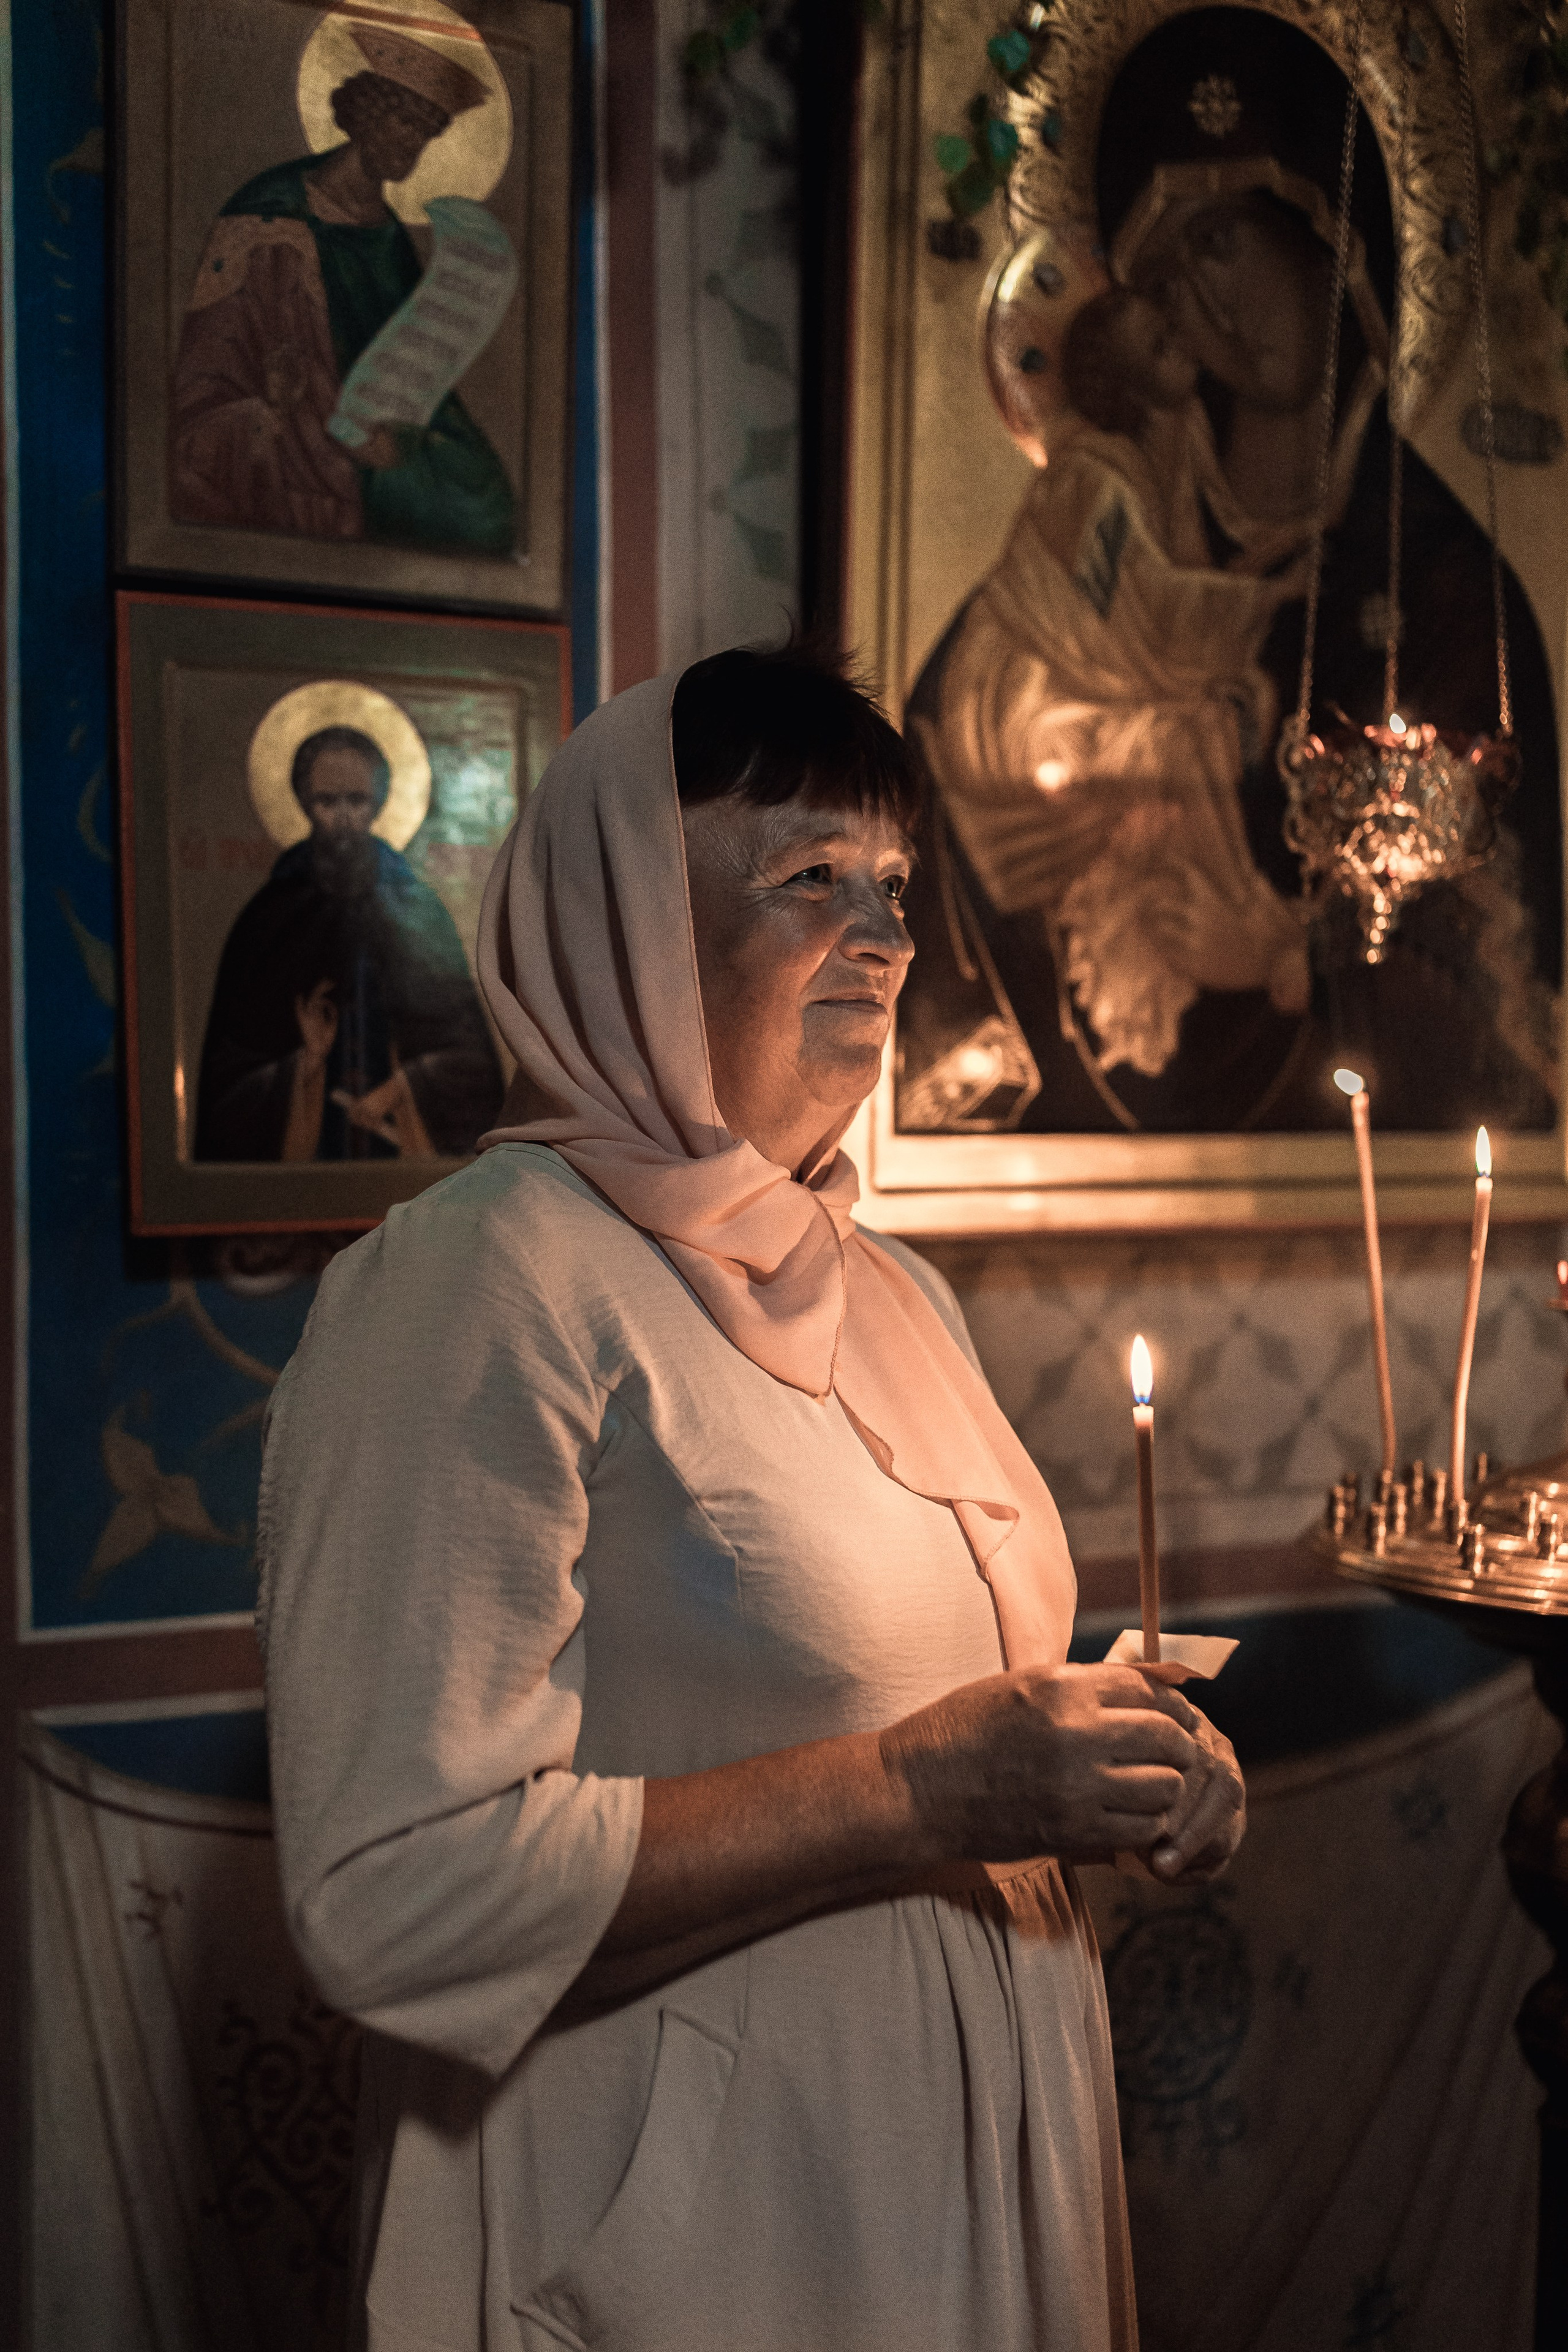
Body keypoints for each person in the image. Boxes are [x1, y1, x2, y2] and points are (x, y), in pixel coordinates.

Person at [258, 645, 1245, 2352]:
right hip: (705, 2244)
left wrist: (1122, 1761)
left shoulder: (884, 1286)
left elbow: (947, 1692)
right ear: (632, 923)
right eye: (809, 880)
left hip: (955, 2183)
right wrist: (922, 1786)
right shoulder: (484, 1283)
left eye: (897, 888)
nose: (881, 936)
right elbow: (396, 1891)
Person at [900, 8, 1561, 1137]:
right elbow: (941, 766)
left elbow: (1500, 955)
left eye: (1229, 244)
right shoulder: (1103, 522)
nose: (1208, 308)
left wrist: (1297, 951)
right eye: (1165, 271)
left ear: (1334, 236)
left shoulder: (1449, 583)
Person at [170, 24, 516, 556]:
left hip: (366, 430)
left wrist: (400, 442)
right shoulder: (267, 216)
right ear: (365, 114)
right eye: (404, 120)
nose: (412, 144)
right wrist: (272, 406)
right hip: (290, 430)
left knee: (489, 502)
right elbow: (207, 375)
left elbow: (414, 362)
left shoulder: (390, 236)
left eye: (426, 134)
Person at [194, 724, 502, 1163]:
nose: (342, 817)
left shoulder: (419, 911)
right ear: (304, 804)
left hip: (403, 1163)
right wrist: (305, 1065)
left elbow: (471, 1061)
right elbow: (230, 1082)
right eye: (327, 801)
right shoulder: (270, 917)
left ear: (378, 804)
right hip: (307, 1177)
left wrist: (399, 1089)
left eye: (356, 801)